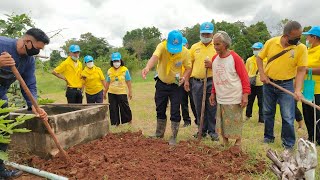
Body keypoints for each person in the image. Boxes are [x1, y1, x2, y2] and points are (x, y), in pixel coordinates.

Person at [0, 28, 49, 179]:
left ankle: (0, 169)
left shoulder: (28, 60)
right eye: (38, 48)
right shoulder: (2, 44)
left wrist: (34, 105)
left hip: (0, 95)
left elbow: (29, 84)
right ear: (27, 42)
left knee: (4, 131)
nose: (38, 51)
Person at [256, 21, 307, 149]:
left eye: (300, 37)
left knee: (288, 115)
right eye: (295, 38)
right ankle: (268, 137)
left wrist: (298, 90)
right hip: (269, 83)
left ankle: (288, 143)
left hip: (286, 85)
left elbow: (301, 70)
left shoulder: (301, 48)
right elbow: (259, 58)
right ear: (285, 36)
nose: (298, 40)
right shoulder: (271, 42)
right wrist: (262, 74)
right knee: (267, 112)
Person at [142, 30, 192, 145]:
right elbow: (154, 57)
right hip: (161, 82)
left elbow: (188, 68)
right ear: (167, 42)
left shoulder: (185, 52)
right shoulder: (162, 46)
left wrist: (184, 78)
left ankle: (174, 136)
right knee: (160, 108)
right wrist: (147, 67)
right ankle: (159, 133)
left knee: (175, 111)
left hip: (176, 85)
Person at [209, 31, 250, 147]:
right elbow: (215, 77)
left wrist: (245, 94)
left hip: (234, 95)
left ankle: (238, 142)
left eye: (218, 44)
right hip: (221, 96)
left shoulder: (235, 58)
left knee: (235, 120)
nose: (216, 47)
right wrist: (213, 92)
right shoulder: (214, 59)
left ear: (226, 44)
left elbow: (244, 77)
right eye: (214, 44)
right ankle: (225, 142)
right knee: (222, 122)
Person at [189, 22, 218, 141]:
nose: (205, 36)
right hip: (196, 82)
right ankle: (201, 130)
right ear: (200, 33)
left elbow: (222, 63)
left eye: (208, 34)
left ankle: (213, 131)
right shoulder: (194, 47)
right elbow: (189, 65)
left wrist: (213, 65)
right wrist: (186, 80)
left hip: (212, 80)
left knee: (212, 106)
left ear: (212, 34)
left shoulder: (217, 46)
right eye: (203, 34)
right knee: (198, 106)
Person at [301, 26, 320, 145]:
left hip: (318, 88)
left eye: (308, 36)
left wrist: (307, 70)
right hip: (306, 88)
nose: (306, 38)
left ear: (314, 37)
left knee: (316, 115)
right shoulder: (307, 51)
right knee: (307, 114)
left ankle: (319, 138)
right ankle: (311, 137)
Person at [104, 52, 132, 126]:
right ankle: (116, 123)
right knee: (113, 108)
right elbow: (107, 82)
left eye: (117, 61)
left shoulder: (125, 70)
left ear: (120, 61)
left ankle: (128, 121)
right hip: (111, 92)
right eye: (114, 61)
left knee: (125, 107)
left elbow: (128, 81)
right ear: (112, 62)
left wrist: (130, 92)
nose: (116, 63)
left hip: (122, 92)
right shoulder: (109, 70)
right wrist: (104, 92)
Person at [245, 42, 265, 123]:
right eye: (254, 49)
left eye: (257, 49)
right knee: (250, 101)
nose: (255, 51)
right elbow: (246, 71)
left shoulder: (266, 60)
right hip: (251, 84)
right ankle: (247, 115)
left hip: (261, 84)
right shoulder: (249, 60)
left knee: (261, 102)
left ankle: (261, 119)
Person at [180, 37, 197, 127]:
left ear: (187, 45)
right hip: (180, 80)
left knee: (194, 102)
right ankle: (186, 121)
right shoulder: (178, 54)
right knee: (183, 102)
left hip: (191, 80)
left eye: (184, 45)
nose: (183, 47)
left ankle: (198, 120)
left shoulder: (190, 53)